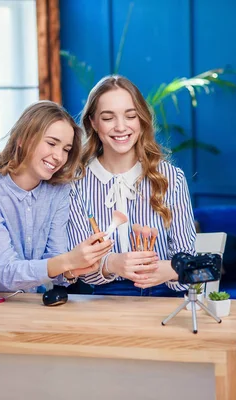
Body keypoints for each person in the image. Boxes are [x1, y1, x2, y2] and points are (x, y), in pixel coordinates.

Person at [0, 100, 113, 293]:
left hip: (29, 303)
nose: (59, 156)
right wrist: (67, 261)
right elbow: (6, 273)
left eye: (66, 149)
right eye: (51, 143)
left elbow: (55, 262)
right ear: (23, 138)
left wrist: (71, 270)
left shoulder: (58, 191)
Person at [67, 75, 197, 297]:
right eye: (108, 118)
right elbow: (77, 268)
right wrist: (112, 264)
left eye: (130, 116)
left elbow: (189, 262)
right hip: (101, 300)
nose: (121, 127)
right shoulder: (76, 184)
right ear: (93, 123)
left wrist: (169, 269)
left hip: (166, 297)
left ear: (141, 120)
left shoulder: (171, 178)